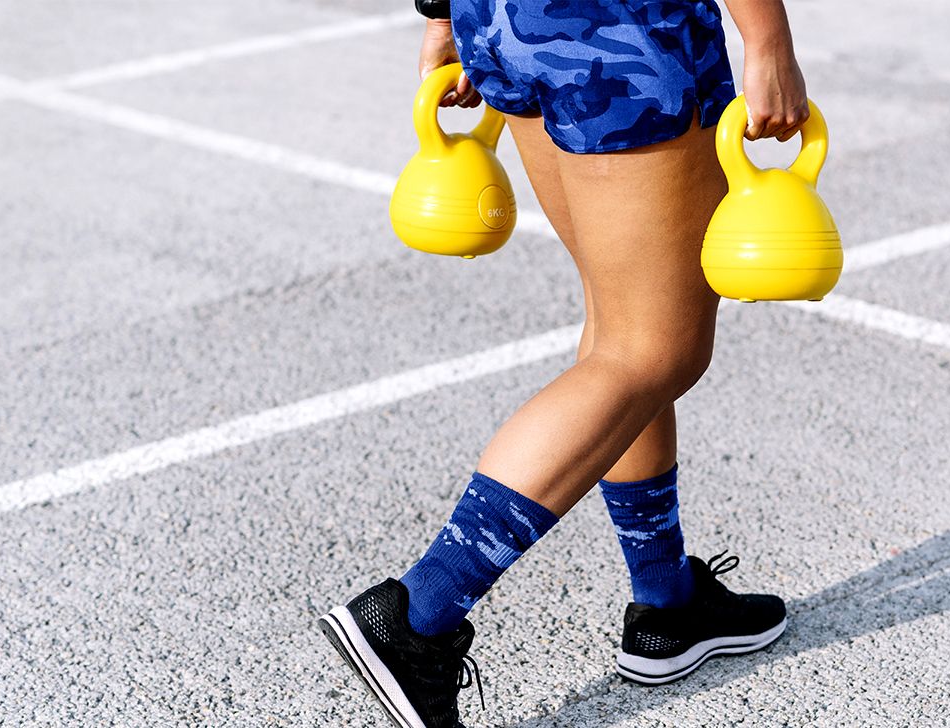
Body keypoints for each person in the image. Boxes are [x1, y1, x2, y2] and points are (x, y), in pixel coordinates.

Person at [318, 1, 810, 725]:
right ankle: (417, 614)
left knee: (620, 322)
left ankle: (667, 605)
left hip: (507, 19)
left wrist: (442, 16)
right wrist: (766, 34)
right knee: (652, 348)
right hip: (623, 30)